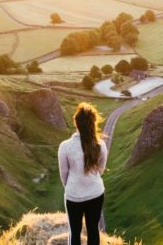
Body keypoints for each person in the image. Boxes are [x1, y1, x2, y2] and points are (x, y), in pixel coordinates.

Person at [58, 102, 108, 245]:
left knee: (74, 232)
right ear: (93, 123)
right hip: (96, 193)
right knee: (93, 230)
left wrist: (72, 187)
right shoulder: (100, 145)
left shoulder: (65, 146)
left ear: (76, 123)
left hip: (74, 196)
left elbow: (64, 175)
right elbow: (101, 169)